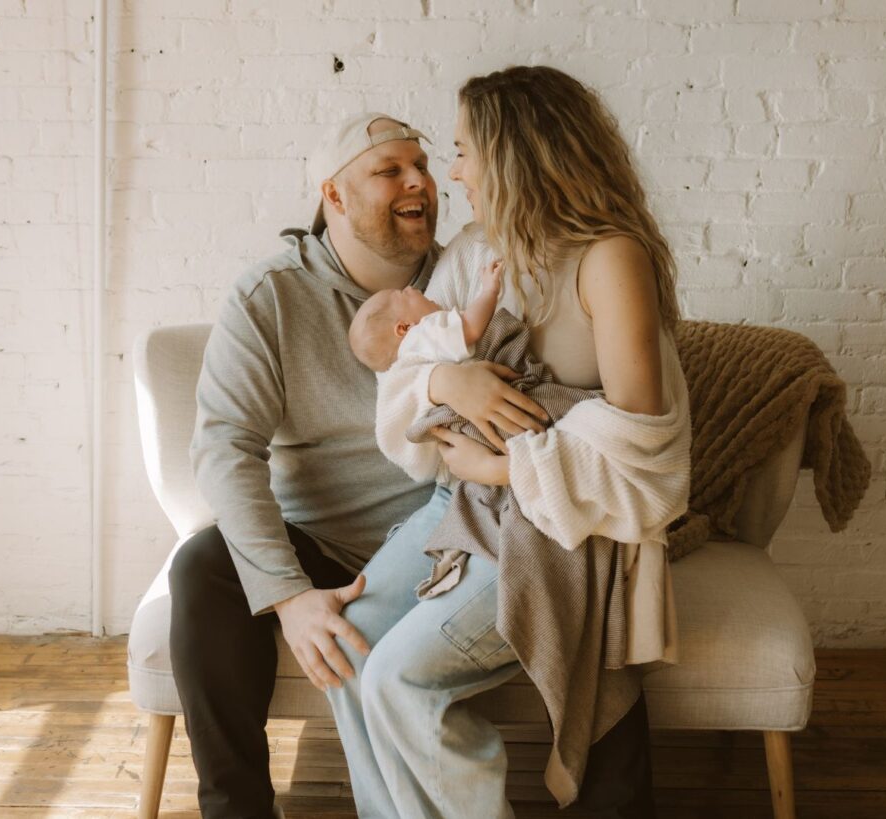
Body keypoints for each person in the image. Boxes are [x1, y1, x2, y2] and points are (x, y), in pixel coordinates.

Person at [170, 107, 657, 819]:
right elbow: (222, 448)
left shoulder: (464, 264)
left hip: (450, 525)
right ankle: (236, 807)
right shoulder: (270, 297)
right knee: (202, 567)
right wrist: (287, 595)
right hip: (327, 540)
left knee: (584, 573)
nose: (420, 183)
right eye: (389, 170)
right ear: (333, 196)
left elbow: (565, 360)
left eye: (424, 165)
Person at [325, 66, 690, 819]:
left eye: (461, 150)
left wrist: (499, 462)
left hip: (560, 523)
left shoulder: (609, 257)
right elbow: (412, 374)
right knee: (345, 644)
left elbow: (643, 447)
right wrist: (443, 388)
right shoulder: (482, 250)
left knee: (395, 674)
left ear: (512, 153)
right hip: (471, 498)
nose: (451, 171)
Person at [348, 259, 504, 373]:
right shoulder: (422, 335)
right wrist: (489, 290)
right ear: (404, 327)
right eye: (404, 294)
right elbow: (471, 328)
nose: (410, 287)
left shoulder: (408, 363)